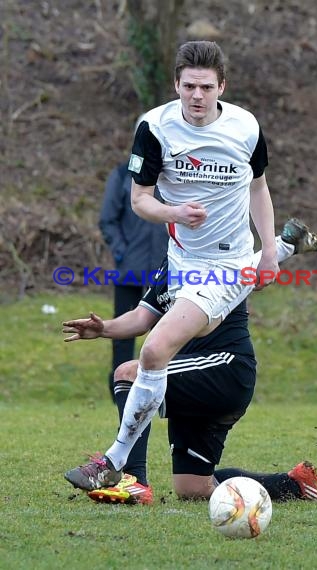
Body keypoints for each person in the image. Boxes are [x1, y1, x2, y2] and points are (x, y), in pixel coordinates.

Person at [64, 40, 296, 489]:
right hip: (180, 260)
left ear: (221, 87)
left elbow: (259, 189)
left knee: (152, 352)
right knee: (191, 488)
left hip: (227, 266)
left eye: (206, 87)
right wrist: (175, 214)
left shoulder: (246, 127)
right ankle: (288, 484)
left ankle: (115, 464)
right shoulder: (155, 127)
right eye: (188, 86)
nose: (196, 96)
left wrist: (267, 251)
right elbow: (139, 201)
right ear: (176, 84)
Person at [64, 220, 317, 504]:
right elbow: (140, 318)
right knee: (193, 488)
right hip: (192, 374)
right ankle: (297, 484)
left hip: (226, 369)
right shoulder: (170, 267)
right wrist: (103, 329)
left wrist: (282, 246)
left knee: (129, 373)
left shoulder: (225, 261)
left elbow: (256, 268)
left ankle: (131, 479)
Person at [99, 164, 168, 400]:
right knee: (122, 332)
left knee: (165, 331)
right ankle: (120, 388)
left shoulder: (176, 174)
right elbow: (108, 219)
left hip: (166, 271)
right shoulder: (121, 176)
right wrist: (122, 252)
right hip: (129, 269)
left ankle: (160, 386)